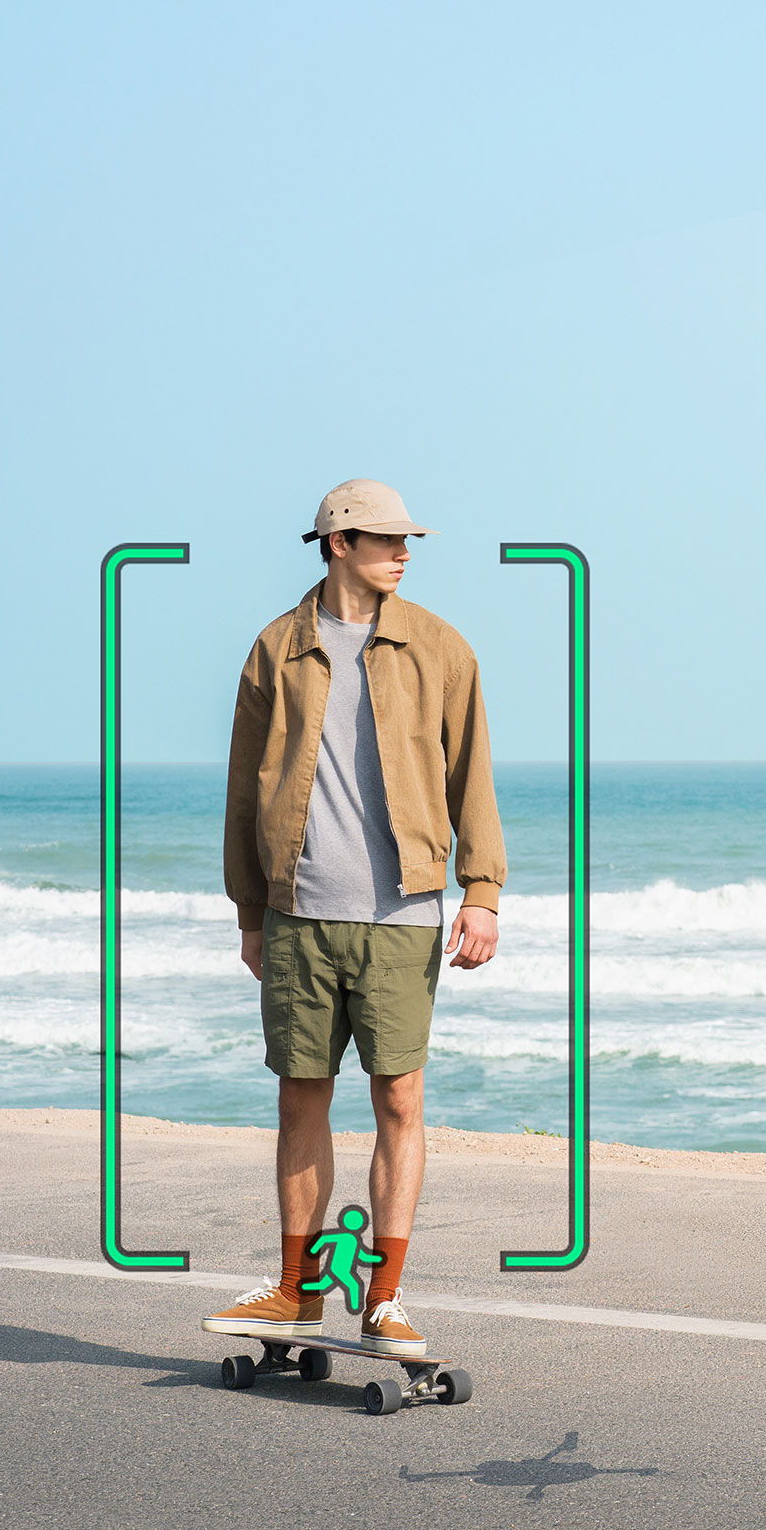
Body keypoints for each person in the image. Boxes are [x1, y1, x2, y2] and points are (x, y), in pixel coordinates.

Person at [202, 479, 505, 1358]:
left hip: (403, 910)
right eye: (384, 539)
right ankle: (296, 1293)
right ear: (337, 544)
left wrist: (481, 890)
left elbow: (471, 774)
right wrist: (250, 911)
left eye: (407, 539)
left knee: (399, 1098)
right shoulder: (276, 650)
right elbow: (242, 787)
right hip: (299, 909)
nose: (403, 552)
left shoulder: (440, 648)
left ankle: (383, 1300)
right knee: (303, 1096)